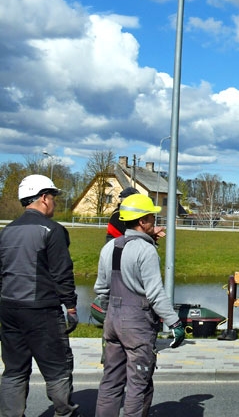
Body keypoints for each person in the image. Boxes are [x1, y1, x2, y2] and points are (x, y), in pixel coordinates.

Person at [94, 194, 185, 417]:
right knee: (138, 384)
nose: (154, 220)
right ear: (142, 221)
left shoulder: (110, 248)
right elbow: (155, 294)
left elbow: (101, 289)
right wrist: (175, 323)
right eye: (151, 217)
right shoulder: (146, 251)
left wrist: (110, 314)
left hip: (112, 322)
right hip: (137, 324)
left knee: (110, 382)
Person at [0, 174, 79, 417]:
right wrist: (72, 307)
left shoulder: (6, 231)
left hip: (9, 309)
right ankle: (64, 412)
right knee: (57, 366)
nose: (54, 203)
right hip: (42, 310)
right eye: (53, 198)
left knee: (14, 368)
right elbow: (61, 272)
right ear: (44, 198)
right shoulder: (52, 230)